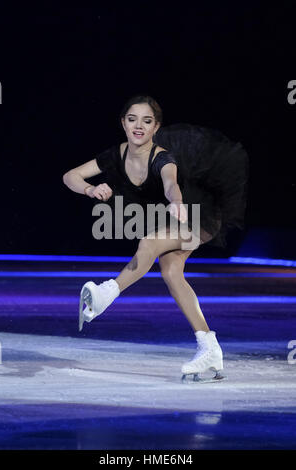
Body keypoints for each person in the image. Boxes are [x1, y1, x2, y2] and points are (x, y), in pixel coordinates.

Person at [62, 94, 249, 382]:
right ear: (123, 123)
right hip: (170, 219)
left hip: (198, 215)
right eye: (132, 119)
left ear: (155, 127)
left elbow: (170, 182)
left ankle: (105, 294)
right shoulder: (116, 155)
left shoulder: (162, 157)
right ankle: (209, 347)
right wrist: (89, 190)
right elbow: (71, 175)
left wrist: (175, 200)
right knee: (171, 272)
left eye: (146, 121)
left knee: (149, 244)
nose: (139, 126)